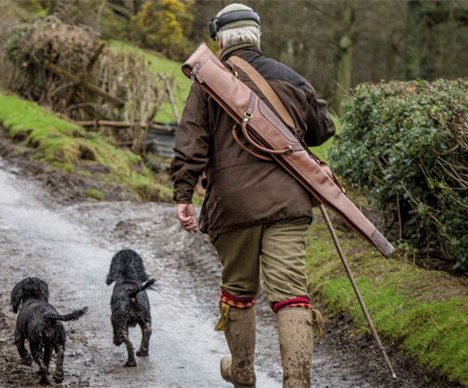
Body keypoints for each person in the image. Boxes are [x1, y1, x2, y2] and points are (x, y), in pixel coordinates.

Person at [171, 3, 335, 387]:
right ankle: (297, 382)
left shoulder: (206, 81)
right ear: (257, 36)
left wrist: (183, 194)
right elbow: (321, 129)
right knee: (292, 294)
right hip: (289, 203)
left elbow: (191, 142)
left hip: (233, 206)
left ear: (221, 40)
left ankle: (242, 373)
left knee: (239, 291)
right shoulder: (292, 79)